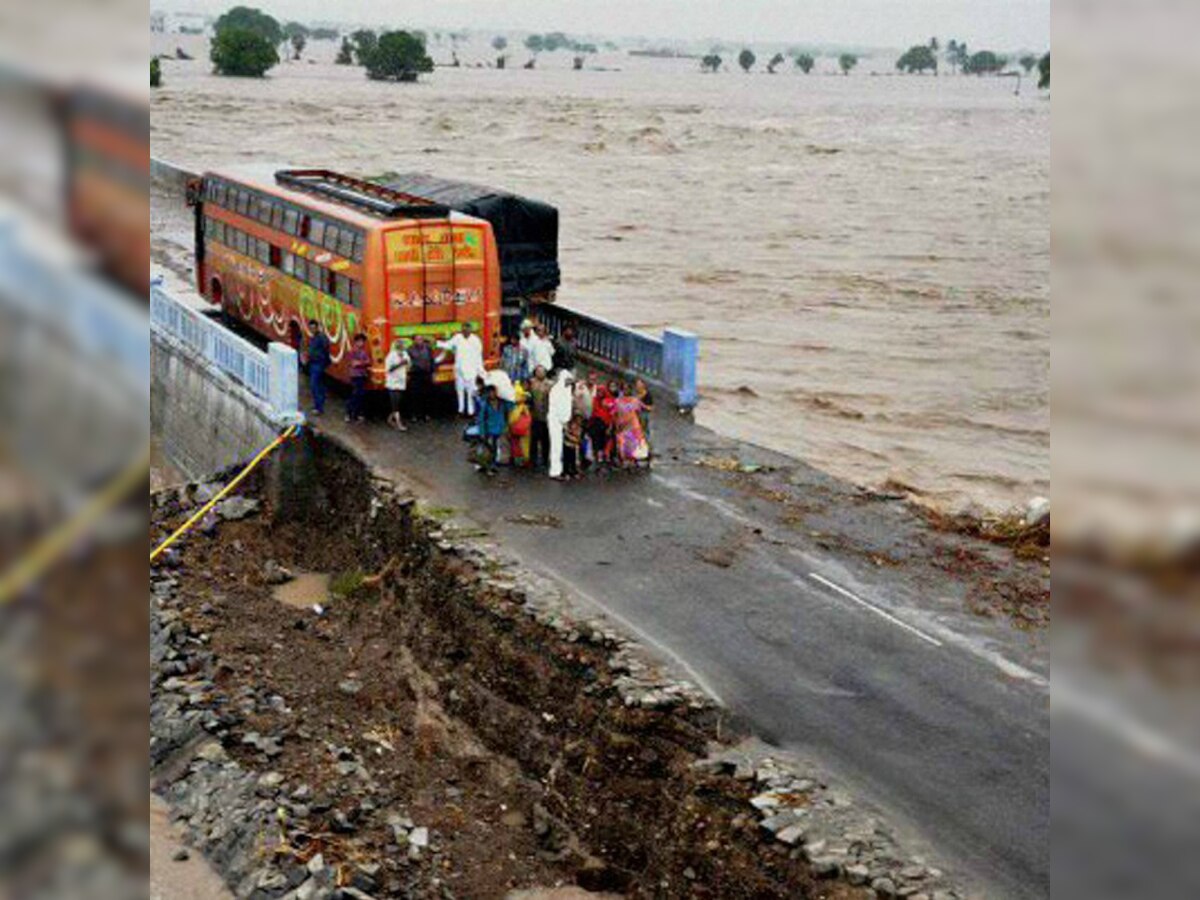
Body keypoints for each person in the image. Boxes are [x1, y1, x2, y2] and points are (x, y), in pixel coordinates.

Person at [436, 322, 484, 417]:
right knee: (459, 390)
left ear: (470, 330)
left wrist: (480, 370)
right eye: (463, 329)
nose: (465, 331)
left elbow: (479, 356)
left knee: (471, 391)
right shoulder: (458, 338)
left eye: (467, 329)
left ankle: (471, 411)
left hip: (471, 369)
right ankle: (460, 410)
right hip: (459, 369)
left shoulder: (476, 340)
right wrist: (438, 343)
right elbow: (448, 345)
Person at [474, 384, 508, 474]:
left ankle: (492, 465)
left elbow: (504, 415)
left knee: (495, 448)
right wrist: (482, 432)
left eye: (494, 392)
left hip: (497, 430)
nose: (492, 394)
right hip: (488, 431)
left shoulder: (502, 403)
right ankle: (488, 467)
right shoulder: (485, 404)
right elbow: (481, 419)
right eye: (490, 392)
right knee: (489, 450)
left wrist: (504, 427)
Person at [613, 384, 650, 466]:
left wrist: (642, 426)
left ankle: (634, 461)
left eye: (628, 389)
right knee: (623, 445)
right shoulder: (617, 401)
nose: (626, 391)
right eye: (624, 389)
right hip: (622, 426)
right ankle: (625, 461)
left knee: (635, 444)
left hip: (634, 426)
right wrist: (616, 426)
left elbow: (640, 413)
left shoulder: (635, 401)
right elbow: (615, 415)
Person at [547, 370, 574, 480]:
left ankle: (561, 469)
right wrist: (564, 421)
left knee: (560, 446)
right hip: (556, 420)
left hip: (562, 421)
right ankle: (555, 471)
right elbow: (558, 408)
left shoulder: (566, 389)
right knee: (556, 446)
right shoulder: (557, 390)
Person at [304, 319, 331, 415]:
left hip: (318, 364)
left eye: (313, 328)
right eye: (311, 328)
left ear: (317, 327)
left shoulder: (321, 338)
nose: (312, 330)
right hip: (314, 363)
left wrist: (322, 360)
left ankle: (319, 407)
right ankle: (319, 404)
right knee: (319, 384)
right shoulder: (314, 338)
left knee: (314, 384)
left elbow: (326, 349)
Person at [406, 334, 435, 421]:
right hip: (415, 375)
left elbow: (431, 360)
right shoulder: (409, 350)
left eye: (421, 339)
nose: (419, 341)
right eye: (417, 339)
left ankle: (426, 414)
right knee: (414, 395)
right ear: (413, 340)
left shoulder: (428, 348)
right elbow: (407, 362)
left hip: (426, 374)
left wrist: (433, 371)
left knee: (427, 395)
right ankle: (414, 415)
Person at [528, 365, 551, 469]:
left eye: (542, 372)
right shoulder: (531, 383)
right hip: (534, 416)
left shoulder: (550, 384)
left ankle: (545, 460)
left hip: (546, 416)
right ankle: (533, 460)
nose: (540, 373)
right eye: (538, 371)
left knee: (545, 440)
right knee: (534, 439)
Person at [345, 333, 372, 423]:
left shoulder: (363, 352)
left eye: (362, 341)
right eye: (359, 341)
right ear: (356, 342)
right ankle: (350, 413)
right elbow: (353, 363)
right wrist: (363, 363)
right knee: (355, 394)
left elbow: (368, 361)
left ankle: (355, 414)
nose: (361, 343)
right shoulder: (352, 351)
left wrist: (360, 363)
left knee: (360, 395)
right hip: (355, 375)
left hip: (361, 375)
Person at [384, 338, 409, 431]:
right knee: (395, 404)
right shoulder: (391, 356)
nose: (403, 346)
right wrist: (400, 364)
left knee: (398, 403)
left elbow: (408, 364)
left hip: (402, 382)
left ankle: (390, 419)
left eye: (403, 344)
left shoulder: (405, 354)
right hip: (392, 383)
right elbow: (388, 369)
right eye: (401, 344)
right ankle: (399, 424)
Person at [508, 383, 532, 467]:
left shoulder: (520, 407)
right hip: (519, 429)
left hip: (520, 429)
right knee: (517, 444)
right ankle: (518, 459)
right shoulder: (515, 406)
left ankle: (522, 459)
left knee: (521, 445)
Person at [634, 376, 655, 445]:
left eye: (640, 384)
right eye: (637, 385)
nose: (638, 386)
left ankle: (646, 444)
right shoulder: (635, 393)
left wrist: (642, 405)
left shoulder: (648, 395)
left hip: (644, 414)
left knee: (645, 430)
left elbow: (651, 408)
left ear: (643, 385)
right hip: (635, 414)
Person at [563, 414, 584, 479]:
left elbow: (579, 436)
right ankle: (566, 472)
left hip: (574, 446)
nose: (579, 421)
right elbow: (566, 434)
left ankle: (573, 472)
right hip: (567, 444)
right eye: (578, 420)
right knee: (567, 459)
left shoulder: (580, 428)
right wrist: (574, 439)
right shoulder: (569, 425)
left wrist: (577, 440)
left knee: (573, 459)